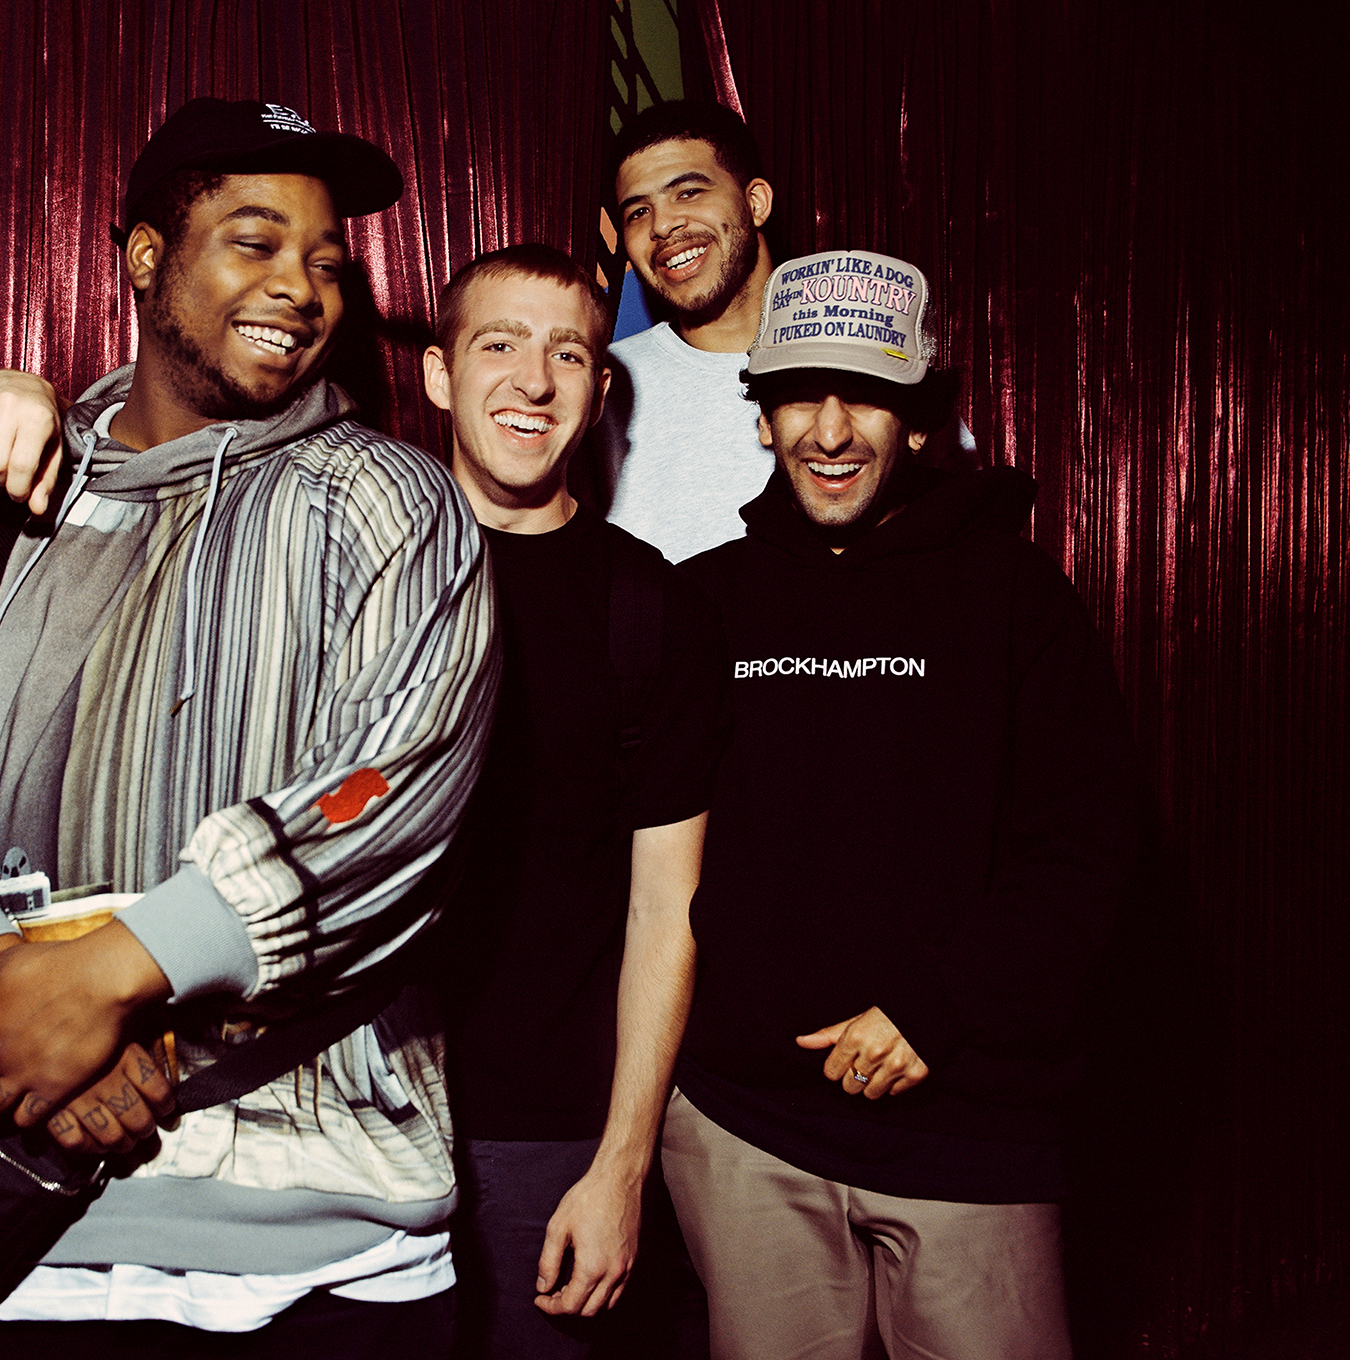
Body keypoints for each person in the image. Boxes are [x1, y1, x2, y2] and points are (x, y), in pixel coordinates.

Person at [0, 97, 498, 1356]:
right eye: (255, 242)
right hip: (27, 1231)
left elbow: (399, 790)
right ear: (145, 257)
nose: (299, 286)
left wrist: (107, 976)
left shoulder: (390, 503)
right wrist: (12, 996)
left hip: (334, 1253)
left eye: (327, 262)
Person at [666, 248, 1141, 1360]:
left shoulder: (1016, 596)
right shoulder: (703, 602)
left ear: (918, 419)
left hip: (970, 1126)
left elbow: (1090, 849)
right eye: (799, 397)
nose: (829, 431)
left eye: (866, 396)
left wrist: (939, 1007)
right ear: (761, 417)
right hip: (744, 1129)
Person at [418, 244, 728, 1358]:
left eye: (565, 356)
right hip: (345, 1125)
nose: (532, 382)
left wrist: (620, 1166)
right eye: (498, 344)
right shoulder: (351, 571)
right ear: (440, 374)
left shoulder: (648, 606)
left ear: (599, 391)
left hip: (546, 1140)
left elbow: (665, 909)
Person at [595, 99, 778, 562]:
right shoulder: (604, 387)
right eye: (637, 212)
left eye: (688, 192)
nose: (662, 225)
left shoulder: (853, 356)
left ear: (755, 202)